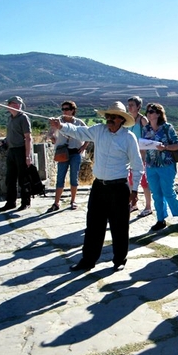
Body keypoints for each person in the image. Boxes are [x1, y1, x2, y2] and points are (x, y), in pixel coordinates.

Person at [48, 101, 143, 273]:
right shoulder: (98, 130)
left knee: (119, 226)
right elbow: (78, 132)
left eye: (113, 117)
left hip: (119, 188)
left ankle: (119, 259)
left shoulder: (129, 138)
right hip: (99, 186)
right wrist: (60, 126)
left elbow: (137, 166)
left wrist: (134, 190)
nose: (109, 120)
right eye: (108, 116)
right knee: (93, 225)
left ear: (121, 119)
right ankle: (88, 260)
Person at [143, 103, 178, 231]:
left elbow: (177, 145)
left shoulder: (168, 128)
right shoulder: (146, 129)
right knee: (156, 194)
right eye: (147, 111)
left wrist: (165, 147)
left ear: (158, 114)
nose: (149, 113)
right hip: (151, 165)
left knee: (168, 192)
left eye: (151, 111)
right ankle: (160, 219)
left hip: (166, 165)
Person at [46, 100, 87, 213]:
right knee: (60, 178)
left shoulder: (79, 123)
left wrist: (83, 147)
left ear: (73, 110)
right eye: (63, 109)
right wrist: (53, 138)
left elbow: (88, 135)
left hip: (75, 152)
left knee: (74, 177)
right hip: (62, 153)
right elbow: (51, 134)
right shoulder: (57, 121)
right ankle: (56, 203)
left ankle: (73, 201)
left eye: (67, 109)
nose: (64, 111)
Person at [0, 96, 33, 212]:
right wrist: (5, 141)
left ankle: (25, 202)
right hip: (12, 150)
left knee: (23, 178)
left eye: (10, 104)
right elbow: (12, 135)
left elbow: (28, 138)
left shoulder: (23, 118)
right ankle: (11, 202)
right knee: (10, 178)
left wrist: (28, 156)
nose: (8, 106)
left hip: (21, 150)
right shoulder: (10, 118)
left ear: (17, 105)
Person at [127, 96, 152, 218]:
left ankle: (148, 207)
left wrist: (144, 154)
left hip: (141, 156)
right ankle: (133, 203)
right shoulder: (127, 119)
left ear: (138, 106)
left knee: (144, 181)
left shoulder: (143, 120)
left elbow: (149, 137)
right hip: (129, 155)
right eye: (129, 104)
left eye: (132, 104)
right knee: (130, 180)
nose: (129, 107)